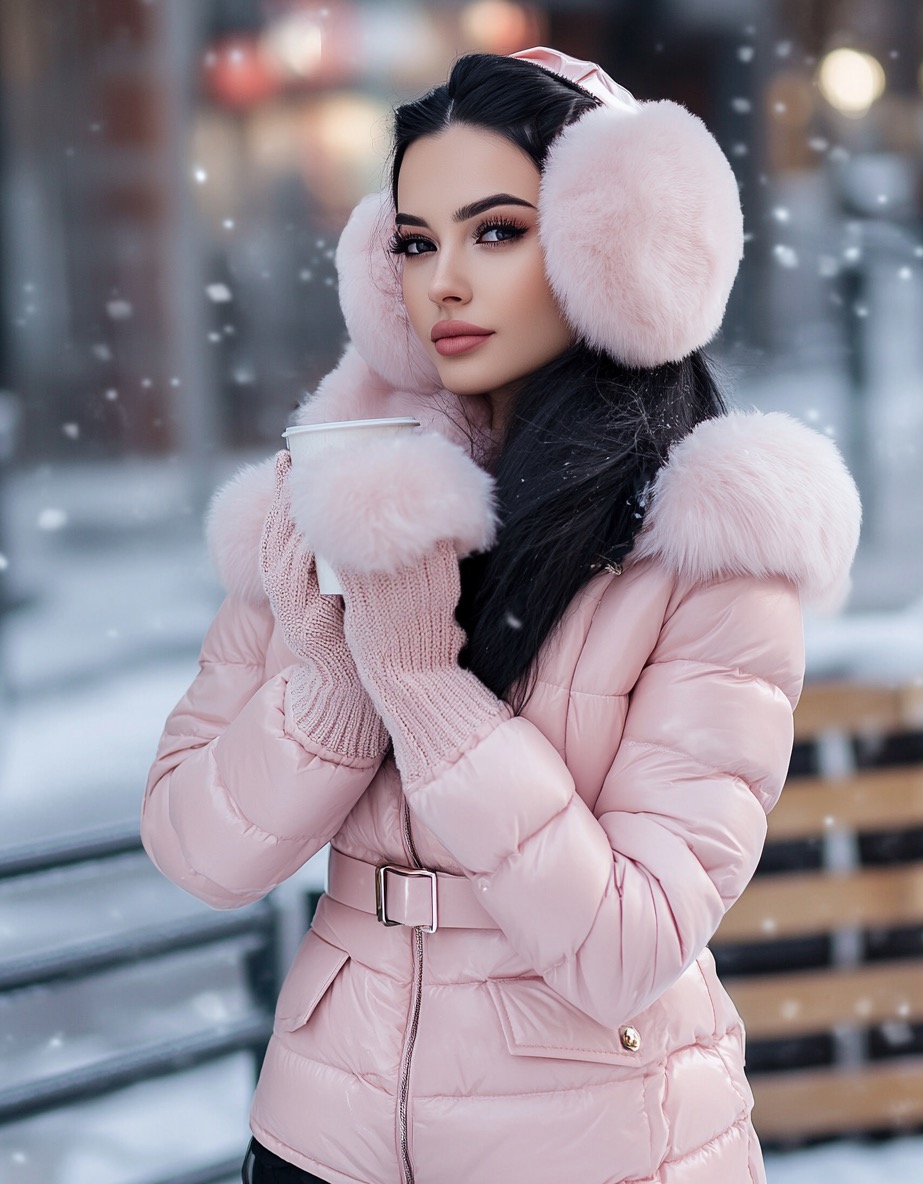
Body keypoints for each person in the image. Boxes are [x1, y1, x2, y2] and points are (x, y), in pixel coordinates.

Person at [142, 47, 861, 1184]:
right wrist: (333, 689)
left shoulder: (709, 554)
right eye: (414, 242)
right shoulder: (341, 496)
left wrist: (422, 688)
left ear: (615, 247)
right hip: (320, 1137)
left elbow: (627, 944)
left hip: (590, 1144)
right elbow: (197, 849)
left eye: (496, 231)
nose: (443, 283)